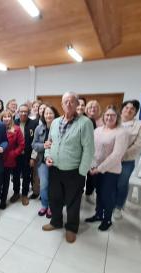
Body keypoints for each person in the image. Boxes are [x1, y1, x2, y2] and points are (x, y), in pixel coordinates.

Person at [42, 91, 94, 244]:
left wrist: (82, 172)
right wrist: (46, 156)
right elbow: (48, 142)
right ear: (62, 104)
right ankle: (56, 222)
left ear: (77, 104)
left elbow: (89, 150)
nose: (69, 104)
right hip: (55, 169)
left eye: (72, 101)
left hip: (74, 172)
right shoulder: (56, 122)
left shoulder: (85, 123)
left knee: (73, 201)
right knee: (55, 198)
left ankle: (71, 228)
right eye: (66, 101)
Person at [85, 105, 128, 231]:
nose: (109, 117)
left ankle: (107, 219)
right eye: (107, 115)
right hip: (95, 169)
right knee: (99, 193)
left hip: (110, 171)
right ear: (103, 117)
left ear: (117, 117)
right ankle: (98, 214)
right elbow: (90, 148)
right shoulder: (98, 130)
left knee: (107, 196)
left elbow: (116, 155)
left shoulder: (121, 133)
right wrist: (92, 166)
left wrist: (99, 168)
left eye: (112, 115)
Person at [114, 100, 141, 219]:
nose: (128, 110)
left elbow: (139, 144)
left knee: (122, 184)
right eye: (126, 107)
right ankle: (109, 203)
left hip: (127, 161)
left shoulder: (140, 125)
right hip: (111, 159)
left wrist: (122, 155)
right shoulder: (115, 120)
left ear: (135, 112)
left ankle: (118, 206)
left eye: (132, 109)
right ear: (122, 109)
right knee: (110, 182)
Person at [31, 106, 59, 218]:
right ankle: (44, 205)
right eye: (46, 113)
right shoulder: (39, 128)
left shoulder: (60, 127)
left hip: (57, 162)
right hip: (42, 162)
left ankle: (52, 207)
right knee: (43, 185)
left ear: (55, 114)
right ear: (43, 115)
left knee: (54, 186)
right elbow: (34, 145)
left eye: (50, 113)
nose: (48, 115)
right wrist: (43, 145)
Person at [11, 103, 39, 205]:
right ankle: (16, 193)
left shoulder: (34, 123)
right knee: (15, 175)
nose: (23, 113)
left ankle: (24, 194)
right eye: (21, 111)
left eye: (25, 112)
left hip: (28, 156)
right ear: (18, 112)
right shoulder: (13, 123)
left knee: (27, 176)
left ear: (28, 113)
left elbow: (36, 141)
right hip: (16, 155)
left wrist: (33, 157)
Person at [0, 110, 25, 209]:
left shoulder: (16, 129)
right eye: (4, 116)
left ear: (11, 118)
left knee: (5, 182)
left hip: (9, 159)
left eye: (9, 116)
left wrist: (13, 154)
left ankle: (3, 201)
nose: (7, 118)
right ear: (1, 118)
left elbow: (21, 145)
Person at [84, 100, 101, 204]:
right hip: (85, 151)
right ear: (87, 109)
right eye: (90, 107)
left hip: (96, 153)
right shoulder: (85, 120)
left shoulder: (101, 121)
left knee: (92, 175)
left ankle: (89, 193)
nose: (93, 109)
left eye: (95, 107)